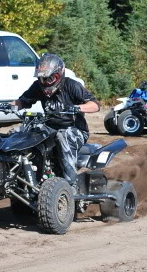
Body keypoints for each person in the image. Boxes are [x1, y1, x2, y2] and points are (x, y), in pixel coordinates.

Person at [13, 53, 100, 186]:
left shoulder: (72, 86)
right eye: (42, 79)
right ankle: (27, 178)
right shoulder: (37, 86)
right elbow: (22, 101)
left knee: (62, 136)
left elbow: (95, 105)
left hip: (75, 130)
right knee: (21, 132)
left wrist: (77, 108)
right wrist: (10, 106)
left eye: (49, 79)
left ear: (59, 75)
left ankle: (70, 184)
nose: (45, 83)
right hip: (49, 128)